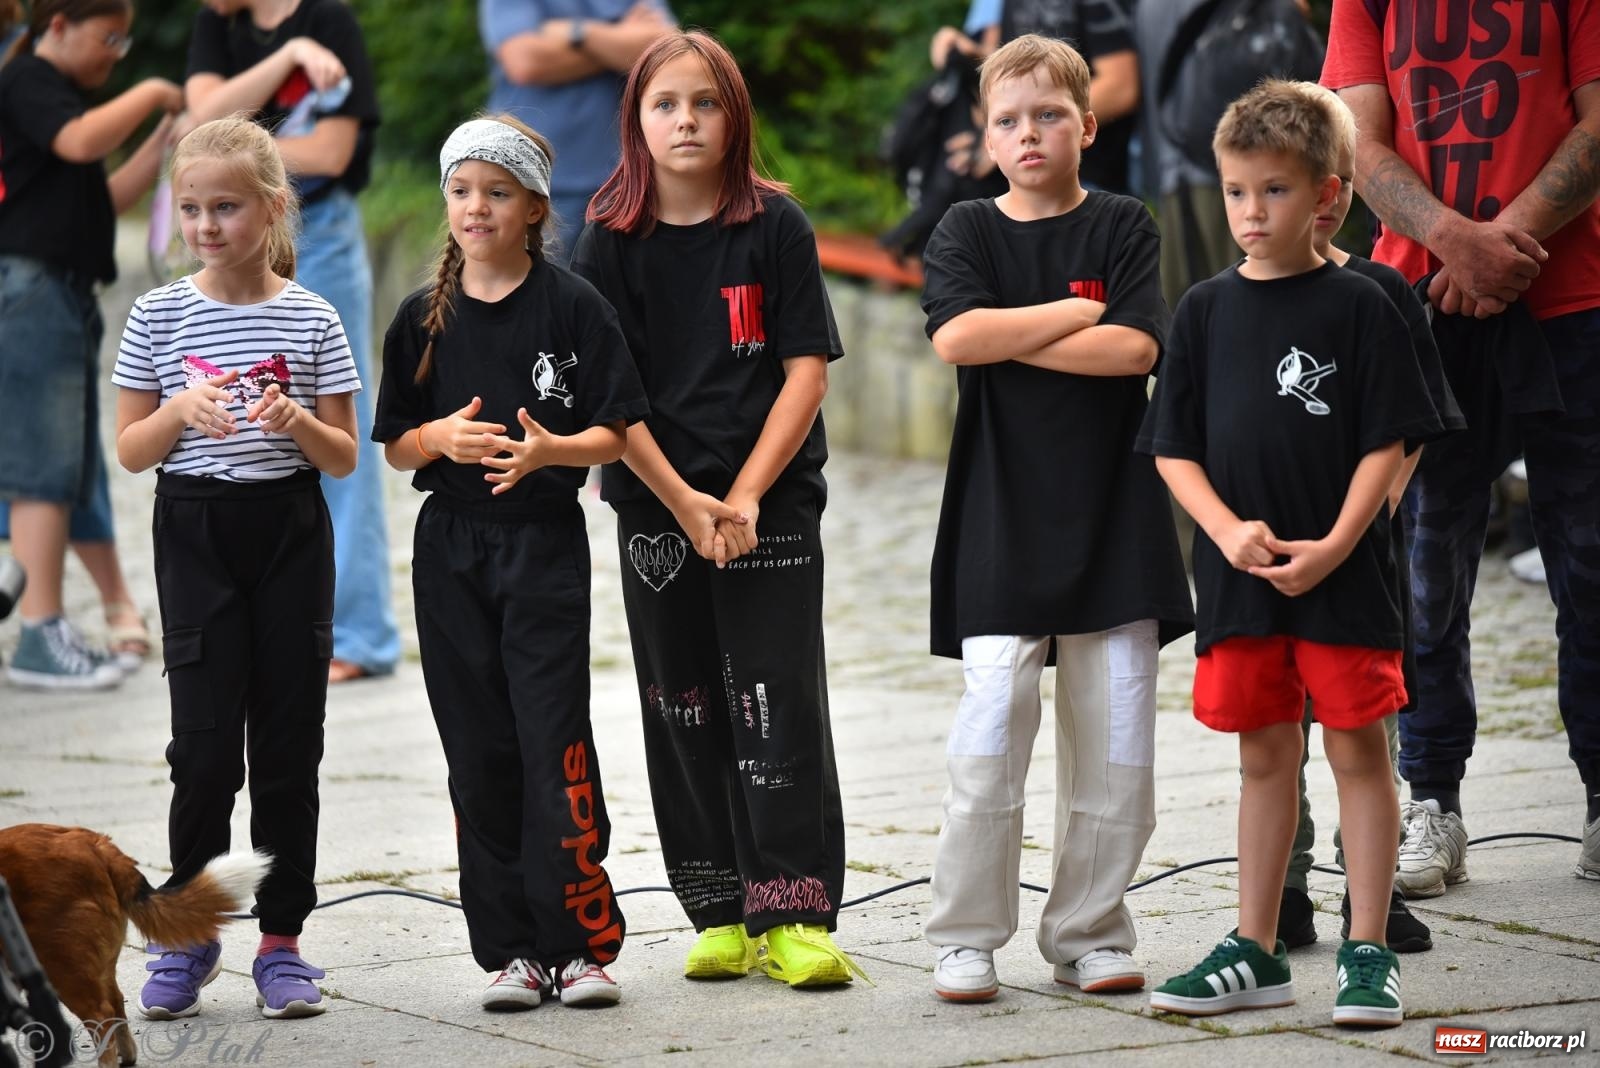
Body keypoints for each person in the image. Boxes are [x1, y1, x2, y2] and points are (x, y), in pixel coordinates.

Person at [1137, 80, 1443, 1026]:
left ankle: (1366, 946)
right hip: (1241, 581)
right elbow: (1173, 448)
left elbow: (1390, 442)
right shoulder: (1202, 311)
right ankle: (1256, 947)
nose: (1250, 212)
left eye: (1273, 190)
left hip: (1344, 576)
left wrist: (1341, 544)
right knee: (1265, 756)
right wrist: (1226, 533)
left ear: (1327, 195)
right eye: (1235, 191)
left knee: (1359, 747)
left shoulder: (1364, 302)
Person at [572, 30, 863, 990]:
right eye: (666, 104)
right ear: (637, 121)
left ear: (734, 115)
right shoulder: (606, 238)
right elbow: (612, 403)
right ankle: (719, 911)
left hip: (767, 506)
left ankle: (796, 912)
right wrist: (684, 501)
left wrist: (740, 496)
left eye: (705, 102)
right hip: (658, 505)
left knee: (775, 697)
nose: (686, 120)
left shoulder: (775, 225)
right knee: (683, 701)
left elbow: (806, 373)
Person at [916, 34, 1191, 1004]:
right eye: (1006, 120)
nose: (1026, 134)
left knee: (1118, 742)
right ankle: (965, 936)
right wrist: (1077, 313)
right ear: (984, 133)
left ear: (1087, 121)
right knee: (991, 726)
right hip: (1002, 512)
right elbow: (957, 336)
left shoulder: (1123, 222)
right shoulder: (964, 230)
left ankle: (1089, 931)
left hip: (1117, 511)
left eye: (1046, 115)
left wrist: (1023, 329)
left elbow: (1134, 354)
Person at [1324, 0, 1600, 892]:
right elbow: (1355, 141)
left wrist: (1497, 246)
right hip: (1421, 299)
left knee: (1589, 559)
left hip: (1574, 301)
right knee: (1426, 568)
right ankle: (1431, 799)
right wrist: (1452, 240)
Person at [373, 115, 648, 1012]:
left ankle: (580, 945)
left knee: (550, 738)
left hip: (543, 548)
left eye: (496, 192)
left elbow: (617, 430)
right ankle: (510, 953)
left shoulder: (574, 307)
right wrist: (437, 437)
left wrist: (550, 454)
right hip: (449, 552)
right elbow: (395, 448)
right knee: (477, 747)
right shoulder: (421, 318)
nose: (475, 207)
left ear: (534, 207)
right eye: (460, 191)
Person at [112, 116, 360, 1020]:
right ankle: (189, 933)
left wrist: (295, 421)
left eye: (227, 206)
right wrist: (181, 407)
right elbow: (133, 450)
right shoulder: (159, 313)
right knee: (206, 753)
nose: (208, 224)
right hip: (196, 535)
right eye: (191, 209)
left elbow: (343, 458)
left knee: (289, 751)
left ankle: (283, 943)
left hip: (290, 536)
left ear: (272, 208)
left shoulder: (311, 313)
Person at [1273, 81, 1463, 956]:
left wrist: (1377, 505)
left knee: (1363, 723)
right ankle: (1285, 887)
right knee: (1277, 723)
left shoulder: (1385, 294)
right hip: (1268, 549)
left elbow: (1415, 418)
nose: (1269, 208)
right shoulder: (1229, 298)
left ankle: (1370, 890)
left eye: (1296, 187)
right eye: (1255, 187)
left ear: (1339, 195)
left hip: (1358, 548)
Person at [181, 0, 399, 684]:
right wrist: (284, 61)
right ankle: (268, 621)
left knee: (333, 428)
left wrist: (227, 160)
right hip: (231, 233)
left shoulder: (331, 22)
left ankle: (361, 634)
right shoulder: (217, 25)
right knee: (243, 431)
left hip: (318, 235)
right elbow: (198, 124)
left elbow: (329, 154)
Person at [0, 0, 181, 689]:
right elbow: (79, 143)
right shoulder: (29, 84)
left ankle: (51, 628)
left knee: (65, 464)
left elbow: (100, 198)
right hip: (34, 291)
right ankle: (40, 635)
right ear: (56, 27)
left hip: (64, 293)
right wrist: (154, 92)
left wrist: (163, 139)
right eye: (108, 37)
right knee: (43, 466)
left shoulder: (62, 102)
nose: (115, 53)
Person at [480, 0, 675, 260]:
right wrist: (622, 44)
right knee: (540, 297)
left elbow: (667, 48)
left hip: (627, 184)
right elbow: (525, 61)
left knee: (623, 298)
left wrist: (578, 33)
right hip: (536, 186)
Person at [931, 0, 1140, 195]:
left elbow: (1121, 87)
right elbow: (1007, 72)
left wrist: (1020, 127)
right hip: (1019, 183)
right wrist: (968, 54)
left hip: (1088, 179)